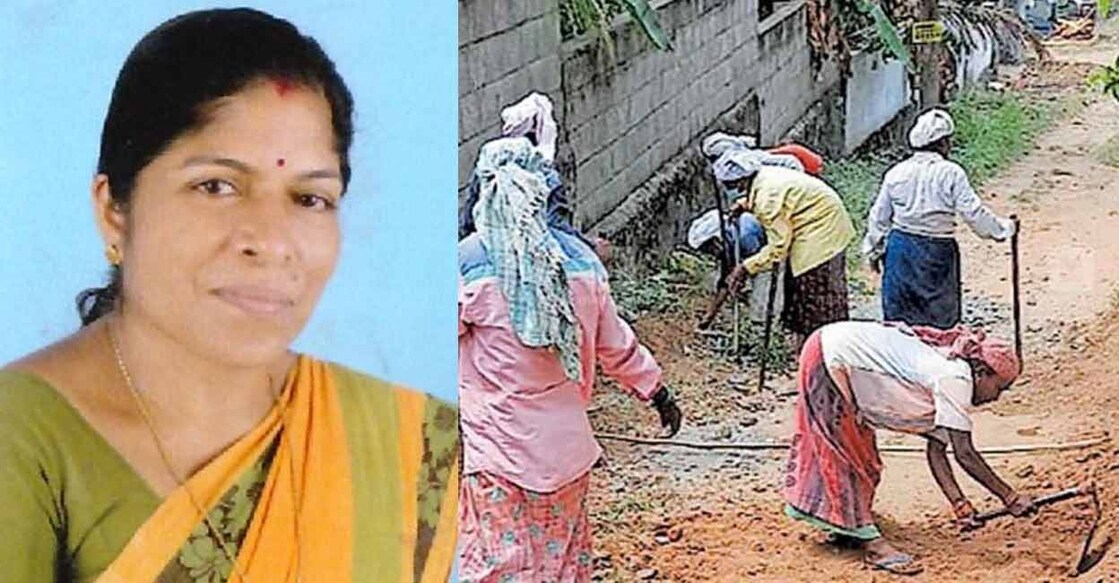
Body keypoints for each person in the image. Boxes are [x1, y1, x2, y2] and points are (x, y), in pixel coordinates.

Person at [0, 9, 458, 581]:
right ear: (114, 211)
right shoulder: (22, 436)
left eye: (309, 199)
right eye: (216, 186)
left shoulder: (407, 442)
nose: (271, 241)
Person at [458, 137, 682, 582]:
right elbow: (616, 345)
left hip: (500, 452)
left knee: (496, 564)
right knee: (561, 562)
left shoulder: (467, 263)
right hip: (567, 451)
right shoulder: (581, 261)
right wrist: (657, 392)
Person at [783, 320, 1032, 575]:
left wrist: (960, 504)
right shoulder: (956, 379)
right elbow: (965, 454)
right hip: (831, 355)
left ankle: (847, 527)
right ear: (980, 372)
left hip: (835, 352)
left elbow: (937, 450)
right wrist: (1010, 498)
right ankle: (872, 544)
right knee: (844, 456)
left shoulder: (952, 378)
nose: (996, 397)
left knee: (865, 460)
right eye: (999, 388)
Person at [862, 108, 1015, 329]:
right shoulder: (951, 173)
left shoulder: (896, 172)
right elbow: (973, 213)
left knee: (900, 322)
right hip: (936, 252)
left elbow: (879, 217)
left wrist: (874, 251)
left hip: (900, 250)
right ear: (942, 143)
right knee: (940, 323)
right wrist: (1004, 229)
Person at [714, 150, 856, 354]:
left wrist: (745, 267)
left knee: (815, 297)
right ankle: (807, 350)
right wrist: (745, 205)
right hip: (820, 223)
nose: (729, 190)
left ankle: (825, 352)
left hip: (821, 234)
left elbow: (778, 248)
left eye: (730, 185)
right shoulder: (763, 177)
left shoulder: (767, 199)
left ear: (741, 181)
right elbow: (783, 199)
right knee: (799, 295)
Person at [459, 92, 612, 262]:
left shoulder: (486, 167)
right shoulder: (544, 175)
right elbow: (557, 229)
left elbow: (467, 222)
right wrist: (591, 247)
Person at [686, 209, 768, 329]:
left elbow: (757, 264)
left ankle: (762, 325)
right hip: (758, 257)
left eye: (708, 249)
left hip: (773, 256)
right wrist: (709, 317)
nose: (709, 253)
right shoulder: (728, 243)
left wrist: (740, 279)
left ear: (715, 241)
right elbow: (725, 281)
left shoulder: (745, 236)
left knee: (760, 300)